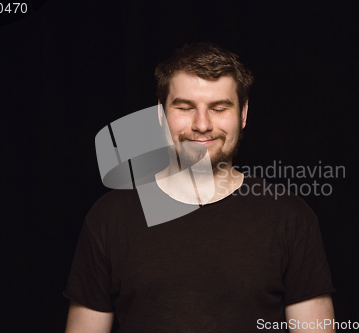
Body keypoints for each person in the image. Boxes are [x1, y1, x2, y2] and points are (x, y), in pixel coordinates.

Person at [63, 42, 336, 332]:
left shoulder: (290, 218)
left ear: (243, 114)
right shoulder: (109, 217)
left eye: (219, 108)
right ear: (160, 114)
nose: (202, 125)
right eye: (185, 107)